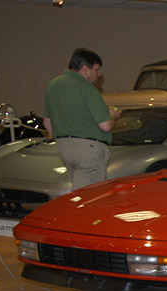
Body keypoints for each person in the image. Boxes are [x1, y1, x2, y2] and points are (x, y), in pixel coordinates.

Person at [42, 47, 120, 189]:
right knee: (88, 197)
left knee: (78, 191)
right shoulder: (87, 89)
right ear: (85, 69)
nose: (100, 73)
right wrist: (113, 116)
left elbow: (47, 123)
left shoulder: (52, 86)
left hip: (63, 147)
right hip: (88, 150)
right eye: (97, 69)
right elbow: (106, 126)